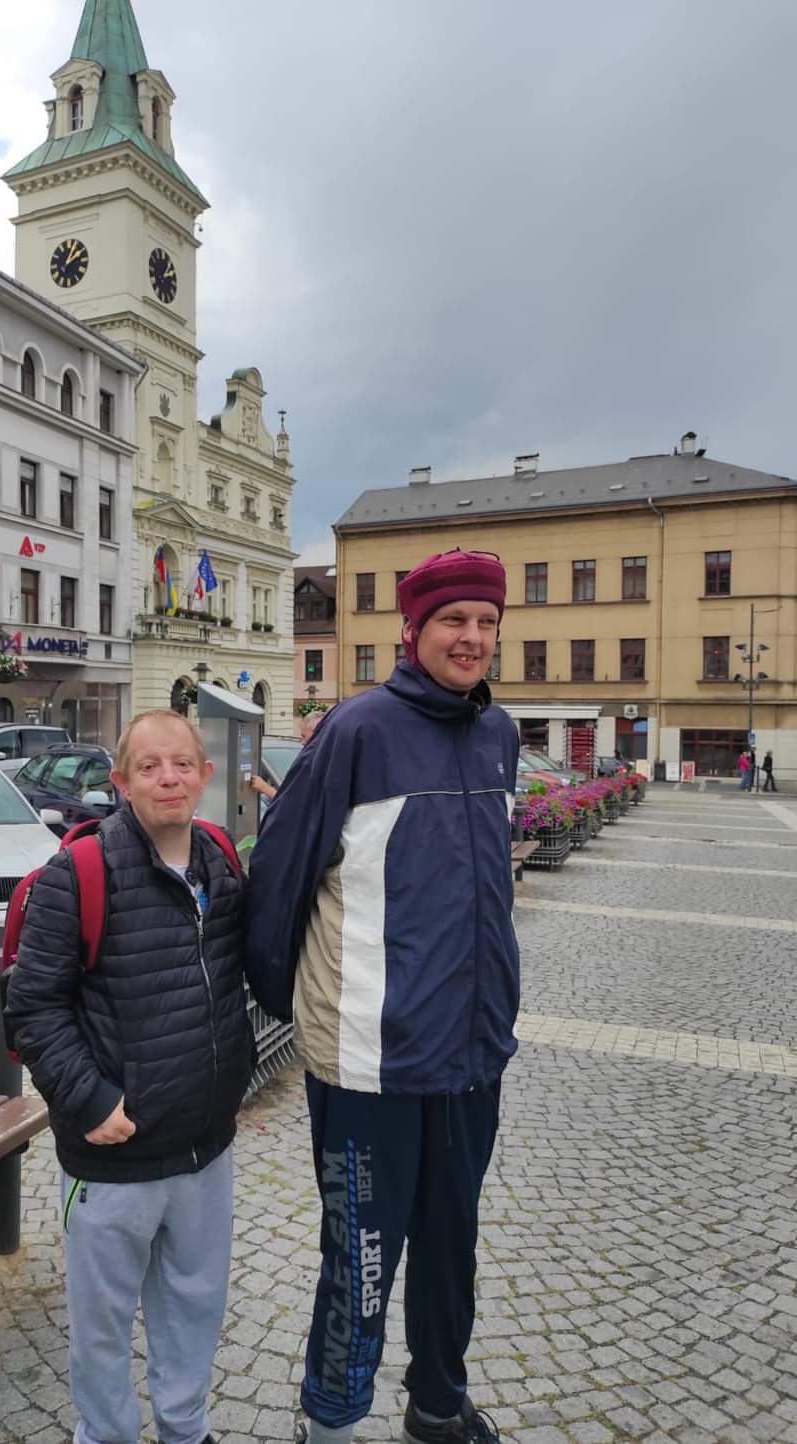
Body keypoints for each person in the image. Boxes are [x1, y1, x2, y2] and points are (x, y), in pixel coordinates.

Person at [245, 550, 518, 1444]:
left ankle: (438, 1406)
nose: (471, 638)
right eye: (453, 621)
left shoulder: (499, 734)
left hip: (471, 1053)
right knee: (361, 1260)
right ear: (412, 630)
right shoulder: (356, 732)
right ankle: (330, 1423)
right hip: (370, 1059)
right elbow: (280, 875)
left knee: (451, 1249)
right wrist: (292, 1003)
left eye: (486, 622)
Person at [5, 709, 253, 1444]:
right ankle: (105, 1435)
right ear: (120, 781)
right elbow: (32, 1008)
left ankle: (186, 1430)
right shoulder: (79, 873)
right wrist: (89, 1101)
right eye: (149, 767)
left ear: (205, 776)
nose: (168, 779)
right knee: (103, 1326)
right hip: (112, 1153)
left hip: (205, 1146)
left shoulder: (219, 859)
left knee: (195, 1307)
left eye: (182, 764)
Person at [250, 708, 325, 804]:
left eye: (304, 736)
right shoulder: (326, 760)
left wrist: (265, 788)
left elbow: (295, 804)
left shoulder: (318, 766)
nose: (302, 742)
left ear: (317, 733)